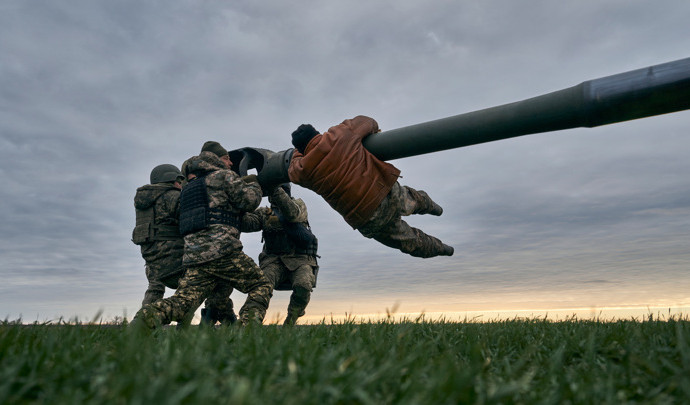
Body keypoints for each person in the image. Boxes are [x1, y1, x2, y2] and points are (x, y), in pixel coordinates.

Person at [131, 141, 272, 329]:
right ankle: (248, 329)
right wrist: (254, 184)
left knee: (182, 302)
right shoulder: (223, 177)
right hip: (223, 252)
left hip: (194, 258)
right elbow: (250, 201)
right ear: (217, 159)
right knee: (261, 285)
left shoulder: (189, 188)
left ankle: (145, 318)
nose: (231, 163)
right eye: (227, 158)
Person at [288, 115, 454, 258]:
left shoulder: (303, 170)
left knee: (412, 242)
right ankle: (435, 208)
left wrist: (297, 152)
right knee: (415, 199)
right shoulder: (340, 133)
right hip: (385, 192)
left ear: (301, 149)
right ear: (317, 133)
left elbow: (292, 169)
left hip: (368, 218)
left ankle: (445, 250)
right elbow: (368, 122)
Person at [241, 184, 319, 325]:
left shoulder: (299, 205)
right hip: (273, 260)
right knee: (261, 286)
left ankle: (291, 320)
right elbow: (247, 224)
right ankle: (249, 323)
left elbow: (292, 214)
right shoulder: (265, 213)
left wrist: (274, 187)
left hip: (299, 259)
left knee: (303, 285)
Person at [132, 164, 186, 306]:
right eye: (179, 181)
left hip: (150, 255)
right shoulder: (173, 196)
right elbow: (189, 221)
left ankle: (142, 325)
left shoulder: (143, 200)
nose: (181, 185)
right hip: (174, 256)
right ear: (173, 179)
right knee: (192, 289)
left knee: (154, 289)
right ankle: (183, 326)